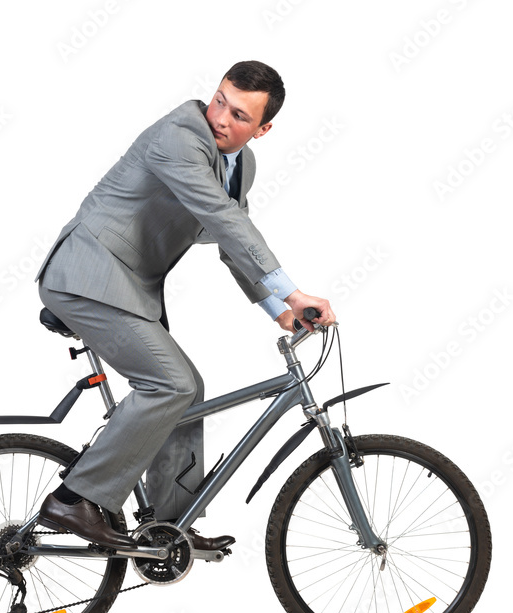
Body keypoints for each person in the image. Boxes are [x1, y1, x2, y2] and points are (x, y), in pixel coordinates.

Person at [33, 60, 336, 549]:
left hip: (129, 286)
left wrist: (280, 309)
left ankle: (169, 526)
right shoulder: (179, 136)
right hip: (88, 275)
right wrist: (295, 289)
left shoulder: (241, 166)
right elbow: (222, 219)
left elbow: (234, 240)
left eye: (239, 116)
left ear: (263, 129)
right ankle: (75, 498)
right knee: (168, 383)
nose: (221, 118)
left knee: (186, 393)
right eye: (220, 100)